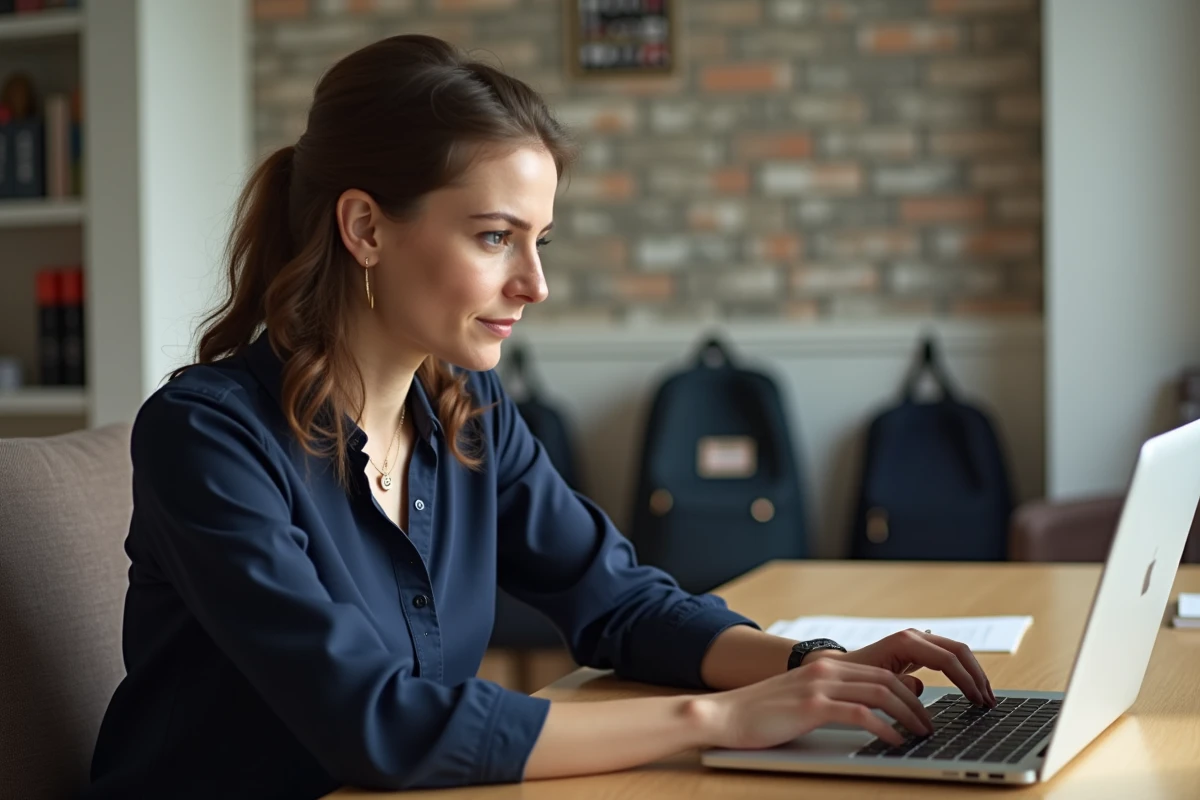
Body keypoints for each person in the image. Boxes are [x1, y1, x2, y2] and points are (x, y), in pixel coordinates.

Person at [85, 34, 995, 799]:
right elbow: (373, 724)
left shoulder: (466, 408)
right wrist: (717, 720)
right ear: (363, 228)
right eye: (494, 237)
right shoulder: (208, 437)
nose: (536, 283)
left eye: (540, 240)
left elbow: (620, 602)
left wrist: (813, 668)